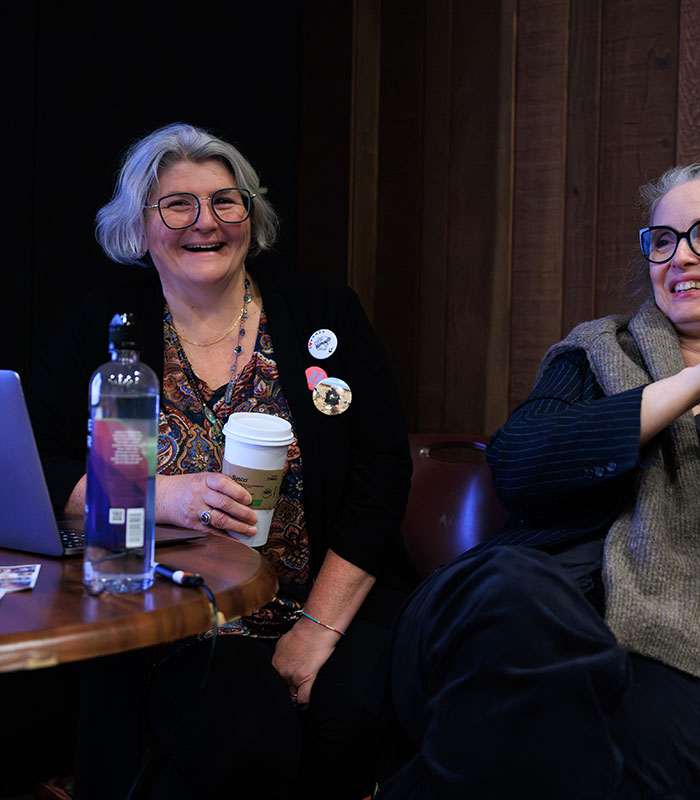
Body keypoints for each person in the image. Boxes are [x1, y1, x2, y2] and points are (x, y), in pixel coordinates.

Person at [378, 163, 700, 799]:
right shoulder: (593, 353)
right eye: (663, 239)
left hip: (686, 664)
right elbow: (519, 470)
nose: (679, 257)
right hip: (504, 619)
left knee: (614, 756)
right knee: (518, 595)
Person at [28, 123, 413, 799]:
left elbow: (380, 476)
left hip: (322, 600)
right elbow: (44, 469)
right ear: (142, 227)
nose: (205, 222)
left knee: (345, 724)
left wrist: (315, 631)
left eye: (225, 202)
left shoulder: (324, 313)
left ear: (250, 215)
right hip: (165, 619)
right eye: (178, 205)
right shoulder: (104, 325)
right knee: (246, 736)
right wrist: (158, 497)